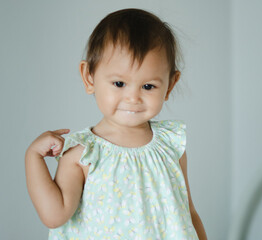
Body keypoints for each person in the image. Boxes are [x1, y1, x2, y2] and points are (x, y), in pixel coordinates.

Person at [25, 8, 207, 240]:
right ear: (89, 77)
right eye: (119, 83)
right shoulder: (83, 153)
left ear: (169, 86)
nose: (133, 98)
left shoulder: (170, 146)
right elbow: (54, 215)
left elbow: (187, 213)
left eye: (148, 86)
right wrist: (33, 157)